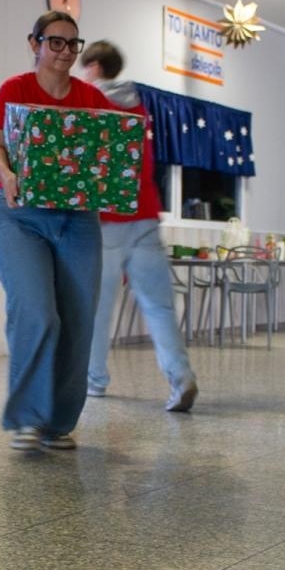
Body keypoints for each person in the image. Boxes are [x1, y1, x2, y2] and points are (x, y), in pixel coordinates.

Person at [0, 10, 120, 450]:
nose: (64, 51)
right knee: (38, 313)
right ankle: (27, 419)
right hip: (20, 216)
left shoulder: (92, 98)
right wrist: (6, 174)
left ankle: (56, 424)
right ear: (35, 44)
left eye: (72, 44)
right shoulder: (15, 89)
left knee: (78, 321)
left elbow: (109, 156)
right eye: (54, 42)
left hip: (78, 220)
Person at [79, 41, 198, 413]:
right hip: (145, 215)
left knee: (98, 309)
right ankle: (181, 377)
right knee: (159, 307)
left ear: (94, 67)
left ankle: (94, 380)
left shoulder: (90, 101)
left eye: (85, 67)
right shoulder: (138, 104)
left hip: (107, 220)